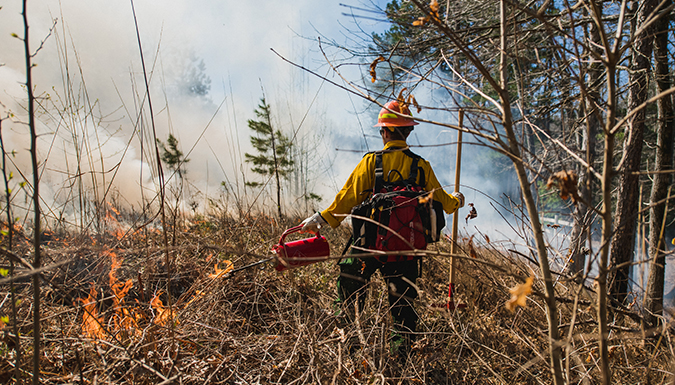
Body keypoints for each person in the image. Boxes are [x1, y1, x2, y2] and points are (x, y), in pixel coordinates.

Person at [300, 100, 464, 357]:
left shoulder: (370, 163)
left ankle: (346, 349)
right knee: (403, 307)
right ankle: (402, 361)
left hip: (368, 246)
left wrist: (322, 219)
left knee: (349, 292)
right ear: (409, 131)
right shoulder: (422, 167)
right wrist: (458, 199)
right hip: (406, 251)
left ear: (384, 132)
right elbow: (446, 203)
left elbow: (346, 200)